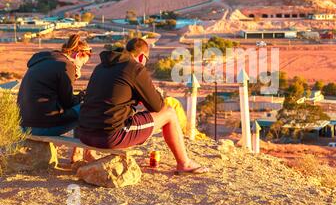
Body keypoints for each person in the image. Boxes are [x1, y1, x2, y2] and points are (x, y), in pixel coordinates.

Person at [77, 38, 208, 174]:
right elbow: (157, 106)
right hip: (109, 137)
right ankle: (184, 163)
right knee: (169, 113)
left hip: (84, 134)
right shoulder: (135, 68)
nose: (145, 64)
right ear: (141, 56)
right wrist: (150, 92)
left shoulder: (101, 67)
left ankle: (88, 154)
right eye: (146, 60)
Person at [18, 34, 95, 162]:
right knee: (89, 107)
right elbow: (68, 103)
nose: (80, 68)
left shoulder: (45, 60)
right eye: (82, 64)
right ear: (77, 56)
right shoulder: (66, 66)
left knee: (80, 106)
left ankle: (79, 152)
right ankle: (81, 152)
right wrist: (81, 93)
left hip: (25, 125)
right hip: (40, 128)